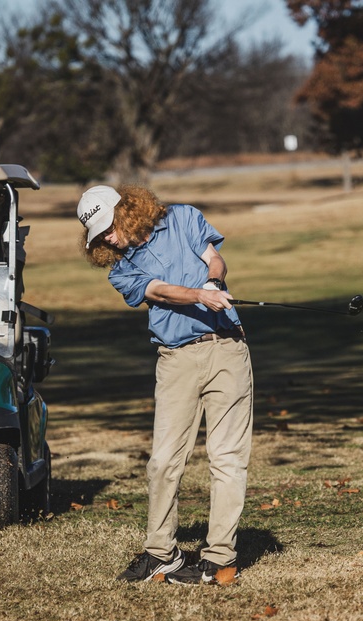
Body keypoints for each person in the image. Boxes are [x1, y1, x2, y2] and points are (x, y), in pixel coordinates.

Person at [79, 184, 254, 582]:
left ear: (126, 209)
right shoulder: (122, 271)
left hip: (227, 349)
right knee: (162, 462)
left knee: (227, 458)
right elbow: (159, 291)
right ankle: (162, 554)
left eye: (107, 225)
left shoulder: (183, 218)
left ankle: (219, 559)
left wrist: (213, 282)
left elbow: (215, 259)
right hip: (175, 361)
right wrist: (198, 296)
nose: (106, 237)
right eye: (98, 235)